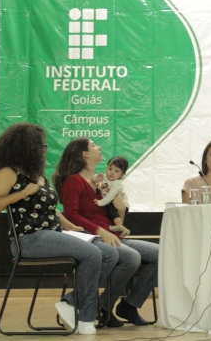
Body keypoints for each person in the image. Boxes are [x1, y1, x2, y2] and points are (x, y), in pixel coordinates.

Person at [0, 123, 115, 335]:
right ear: (26, 148)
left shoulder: (37, 174)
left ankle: (71, 303)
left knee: (109, 253)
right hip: (29, 240)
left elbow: (50, 208)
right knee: (92, 253)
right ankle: (85, 317)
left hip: (53, 234)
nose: (44, 150)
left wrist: (70, 226)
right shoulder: (7, 173)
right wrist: (22, 193)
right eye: (40, 146)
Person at [55, 138, 158, 327]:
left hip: (111, 236)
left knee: (161, 254)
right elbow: (71, 216)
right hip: (90, 237)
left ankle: (126, 304)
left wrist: (120, 209)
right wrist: (100, 231)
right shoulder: (74, 181)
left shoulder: (101, 184)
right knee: (131, 257)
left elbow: (116, 221)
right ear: (85, 154)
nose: (99, 147)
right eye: (94, 145)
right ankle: (87, 303)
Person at [94, 156, 131, 237]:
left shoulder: (117, 184)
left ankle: (119, 225)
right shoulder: (104, 177)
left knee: (109, 206)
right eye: (110, 169)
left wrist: (100, 203)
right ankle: (123, 229)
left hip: (120, 204)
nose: (111, 172)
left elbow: (110, 196)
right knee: (108, 208)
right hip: (111, 202)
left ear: (122, 175)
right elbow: (94, 179)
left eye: (116, 171)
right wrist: (96, 178)